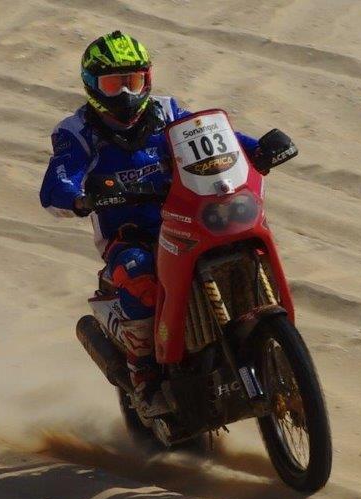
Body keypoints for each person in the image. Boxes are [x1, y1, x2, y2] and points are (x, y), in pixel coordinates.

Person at [39, 31, 262, 417]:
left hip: (189, 218)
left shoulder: (168, 111)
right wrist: (78, 198)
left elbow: (219, 140)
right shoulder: (76, 132)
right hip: (129, 236)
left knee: (244, 244)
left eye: (134, 80)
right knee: (139, 274)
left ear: (148, 78)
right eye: (114, 84)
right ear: (92, 86)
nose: (127, 93)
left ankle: (267, 340)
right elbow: (58, 182)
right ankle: (143, 377)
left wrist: (259, 148)